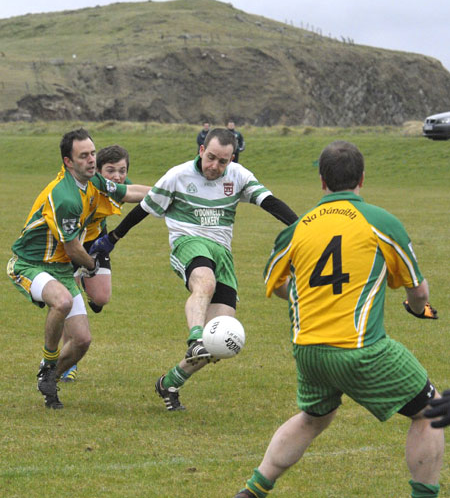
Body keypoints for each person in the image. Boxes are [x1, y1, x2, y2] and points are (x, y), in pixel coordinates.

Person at [234, 141, 443, 498]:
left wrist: (303, 294)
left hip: (309, 351)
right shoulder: (380, 222)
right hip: (360, 350)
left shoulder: (297, 228)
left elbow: (277, 282)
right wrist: (415, 306)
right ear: (362, 178)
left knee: (314, 417)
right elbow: (418, 291)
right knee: (431, 409)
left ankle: (253, 490)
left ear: (321, 181)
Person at [89, 128, 298, 411]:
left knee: (221, 338)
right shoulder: (178, 175)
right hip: (189, 243)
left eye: (222, 161)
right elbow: (145, 208)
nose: (214, 166)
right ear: (201, 150)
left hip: (222, 253)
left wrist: (303, 228)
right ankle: (194, 337)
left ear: (231, 159)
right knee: (204, 282)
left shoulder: (239, 176)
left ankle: (170, 382)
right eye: (210, 157)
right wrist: (113, 238)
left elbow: (269, 203)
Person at [7, 129, 150, 408]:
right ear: (68, 162)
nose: (91, 160)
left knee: (82, 340)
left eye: (93, 153)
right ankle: (48, 365)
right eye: (83, 156)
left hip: (60, 268)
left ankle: (49, 379)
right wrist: (92, 264)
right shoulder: (66, 197)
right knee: (60, 302)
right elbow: (73, 249)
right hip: (30, 264)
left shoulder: (95, 181)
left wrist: (169, 192)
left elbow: (129, 192)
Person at [60, 144, 137, 382]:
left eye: (122, 170)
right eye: (111, 170)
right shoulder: (84, 186)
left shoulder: (119, 188)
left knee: (102, 298)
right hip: (71, 247)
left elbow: (136, 195)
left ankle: (86, 283)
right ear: (97, 170)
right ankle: (67, 362)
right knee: (67, 302)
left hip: (96, 244)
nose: (117, 176)